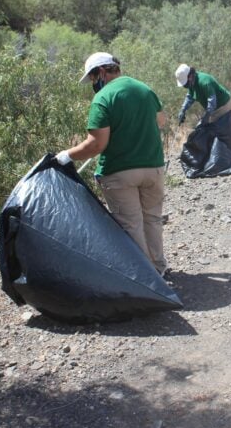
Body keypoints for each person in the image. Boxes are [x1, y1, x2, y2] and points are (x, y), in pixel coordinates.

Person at [55, 52, 168, 276]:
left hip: (119, 174)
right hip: (153, 168)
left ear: (102, 72)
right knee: (152, 219)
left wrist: (67, 155)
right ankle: (159, 269)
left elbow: (96, 145)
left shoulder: (103, 98)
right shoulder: (144, 89)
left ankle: (146, 279)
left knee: (131, 225)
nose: (93, 84)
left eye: (92, 78)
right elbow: (161, 121)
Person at [174, 64, 231, 156]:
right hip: (214, 109)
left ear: (190, 76)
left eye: (186, 84)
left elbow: (212, 102)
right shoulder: (192, 83)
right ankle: (221, 158)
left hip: (224, 105)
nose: (186, 86)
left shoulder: (205, 81)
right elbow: (190, 97)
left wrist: (206, 117)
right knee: (212, 133)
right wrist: (183, 110)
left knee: (225, 133)